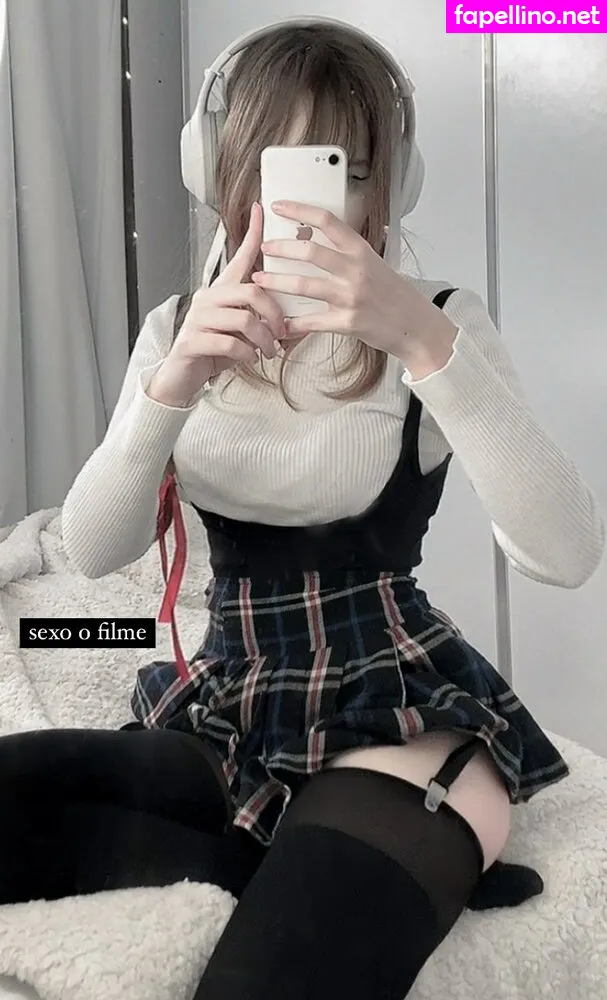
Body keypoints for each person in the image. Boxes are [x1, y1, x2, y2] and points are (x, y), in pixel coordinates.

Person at [2, 19, 604, 1000]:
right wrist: (173, 383)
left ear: (385, 185)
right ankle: (272, 855)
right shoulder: (176, 327)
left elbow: (566, 553)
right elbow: (95, 548)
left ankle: (353, 859)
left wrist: (425, 346)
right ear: (221, 173)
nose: (307, 205)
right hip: (229, 712)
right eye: (274, 167)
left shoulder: (438, 318)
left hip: (399, 720)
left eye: (344, 170)